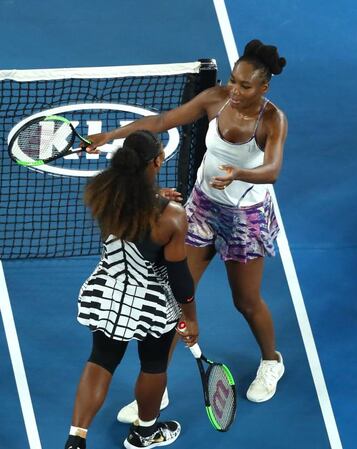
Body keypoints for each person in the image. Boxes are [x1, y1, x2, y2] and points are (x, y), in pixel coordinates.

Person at [84, 39, 288, 421]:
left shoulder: (272, 120)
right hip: (203, 209)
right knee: (175, 301)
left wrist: (240, 173)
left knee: (245, 301)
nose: (236, 90)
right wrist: (111, 136)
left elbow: (272, 169)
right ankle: (155, 389)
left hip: (246, 219)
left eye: (246, 86)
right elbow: (162, 122)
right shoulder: (217, 98)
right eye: (234, 81)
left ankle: (271, 360)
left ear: (264, 88)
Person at [64, 130, 199, 449]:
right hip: (150, 302)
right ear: (158, 160)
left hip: (106, 292)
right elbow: (180, 278)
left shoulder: (104, 194)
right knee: (154, 365)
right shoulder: (172, 217)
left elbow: (133, 218)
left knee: (101, 358)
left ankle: (76, 438)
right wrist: (190, 318)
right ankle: (144, 433)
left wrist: (154, 197)